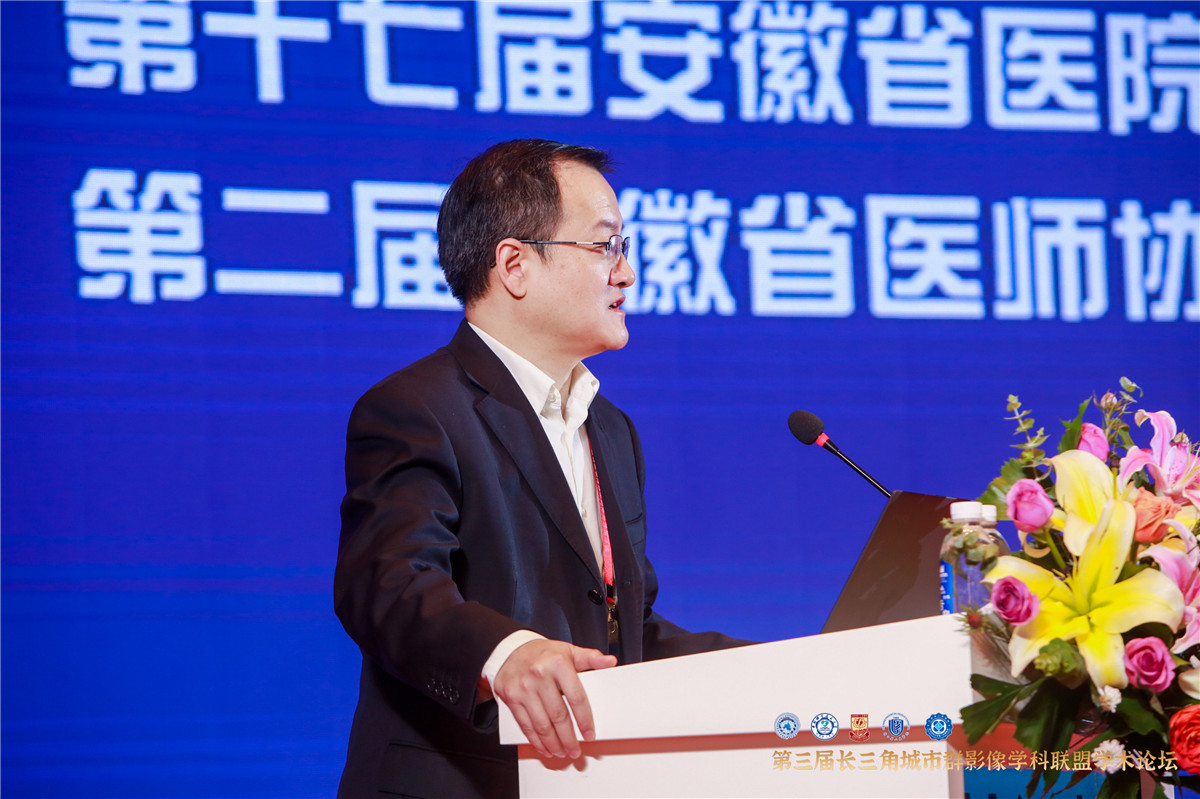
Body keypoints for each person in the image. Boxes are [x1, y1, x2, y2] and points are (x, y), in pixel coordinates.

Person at [334, 139, 749, 799]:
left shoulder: (610, 428)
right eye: (605, 246)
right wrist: (503, 655)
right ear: (515, 265)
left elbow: (626, 634)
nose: (626, 273)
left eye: (624, 246)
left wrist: (782, 668)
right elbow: (390, 586)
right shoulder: (416, 407)